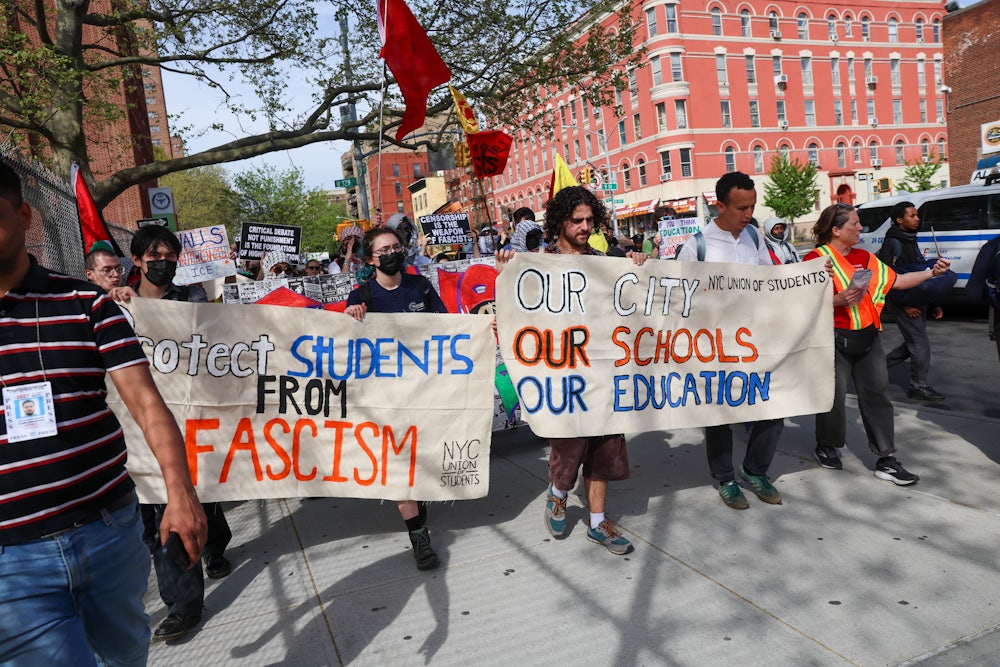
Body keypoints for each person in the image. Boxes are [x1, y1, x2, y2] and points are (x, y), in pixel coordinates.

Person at [0, 163, 206, 664]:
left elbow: (146, 403)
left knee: (125, 655)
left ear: (25, 216)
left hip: (108, 533)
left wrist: (180, 494)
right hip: (13, 565)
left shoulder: (86, 305)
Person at [498, 186, 647, 555]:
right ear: (560, 222)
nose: (584, 227)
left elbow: (632, 301)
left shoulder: (604, 262)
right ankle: (559, 493)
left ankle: (598, 524)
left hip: (605, 374)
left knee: (606, 448)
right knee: (570, 445)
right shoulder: (537, 263)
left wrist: (640, 266)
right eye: (576, 220)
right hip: (561, 373)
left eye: (589, 220)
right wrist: (505, 273)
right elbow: (518, 312)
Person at [111, 225, 233, 641]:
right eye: (154, 257)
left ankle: (212, 547)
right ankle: (182, 604)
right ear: (137, 261)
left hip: (195, 414)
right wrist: (116, 304)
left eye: (170, 256)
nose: (163, 263)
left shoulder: (191, 298)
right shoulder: (120, 307)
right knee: (158, 512)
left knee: (199, 495)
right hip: (143, 426)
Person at [804, 203, 951, 485]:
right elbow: (800, 303)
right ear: (836, 230)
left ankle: (886, 458)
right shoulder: (815, 259)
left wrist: (932, 272)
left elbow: (899, 280)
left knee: (878, 396)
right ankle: (827, 445)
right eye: (855, 224)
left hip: (869, 336)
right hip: (833, 338)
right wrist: (834, 301)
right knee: (831, 399)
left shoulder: (865, 257)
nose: (861, 228)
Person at [676, 172, 784, 510]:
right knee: (719, 414)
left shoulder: (755, 237)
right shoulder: (697, 246)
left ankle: (754, 470)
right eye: (741, 208)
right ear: (720, 206)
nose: (749, 214)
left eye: (752, 206)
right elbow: (680, 296)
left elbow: (771, 280)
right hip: (715, 346)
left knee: (775, 406)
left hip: (755, 340)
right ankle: (725, 478)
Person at [343, 227, 449, 570]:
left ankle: (419, 504)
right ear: (371, 259)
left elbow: (449, 327)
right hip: (386, 399)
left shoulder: (420, 286)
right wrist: (349, 321)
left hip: (424, 391)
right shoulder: (361, 297)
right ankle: (420, 540)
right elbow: (346, 346)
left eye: (396, 247)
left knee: (421, 463)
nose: (392, 252)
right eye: (383, 249)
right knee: (400, 468)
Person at [877, 201, 945, 401]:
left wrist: (933, 303)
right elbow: (888, 278)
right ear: (899, 220)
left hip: (917, 298)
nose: (917, 219)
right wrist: (905, 305)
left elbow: (919, 272)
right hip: (904, 302)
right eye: (912, 215)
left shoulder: (909, 239)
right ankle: (919, 386)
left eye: (917, 215)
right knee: (919, 342)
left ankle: (872, 366)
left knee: (912, 343)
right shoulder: (893, 243)